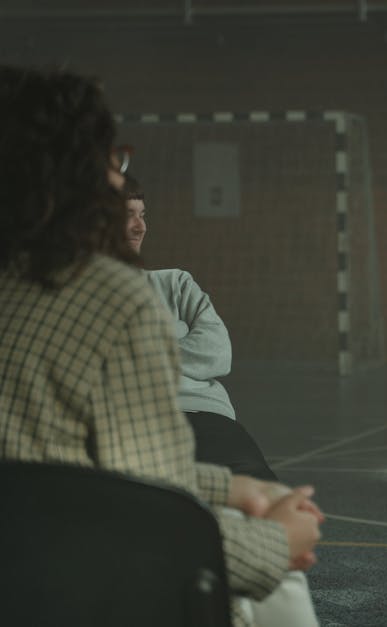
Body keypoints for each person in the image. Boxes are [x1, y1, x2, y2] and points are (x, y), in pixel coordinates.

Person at [0, 65, 321, 627]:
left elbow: (70, 471)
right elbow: (154, 522)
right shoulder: (112, 296)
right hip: (90, 586)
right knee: (279, 591)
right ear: (78, 171)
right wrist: (277, 542)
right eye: (112, 158)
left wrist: (226, 483)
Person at [124, 173, 277, 481]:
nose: (140, 227)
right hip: (143, 424)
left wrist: (140, 356)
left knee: (268, 501)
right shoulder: (80, 295)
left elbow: (218, 353)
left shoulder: (175, 283)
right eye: (128, 216)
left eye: (143, 215)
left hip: (209, 417)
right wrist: (177, 345)